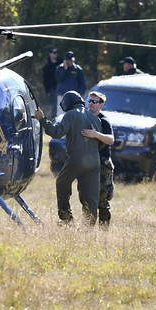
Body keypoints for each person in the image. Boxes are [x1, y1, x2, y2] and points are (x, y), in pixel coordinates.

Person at [37, 91, 102, 225]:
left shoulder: (71, 114)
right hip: (95, 160)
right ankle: (88, 227)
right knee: (91, 196)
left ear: (67, 104)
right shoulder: (95, 118)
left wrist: (42, 119)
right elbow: (100, 141)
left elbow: (56, 132)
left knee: (61, 183)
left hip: (77, 158)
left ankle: (66, 218)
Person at [85, 90, 116, 226]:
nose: (90, 104)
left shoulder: (103, 121)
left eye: (94, 102)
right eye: (89, 101)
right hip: (88, 164)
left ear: (101, 105)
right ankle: (88, 229)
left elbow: (111, 140)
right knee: (86, 198)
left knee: (102, 199)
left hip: (103, 165)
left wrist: (95, 134)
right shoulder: (84, 118)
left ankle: (104, 232)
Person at [41, 46, 61, 117]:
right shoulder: (47, 67)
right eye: (54, 52)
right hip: (53, 90)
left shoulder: (61, 63)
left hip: (62, 89)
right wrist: (48, 92)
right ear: (50, 54)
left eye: (57, 52)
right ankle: (54, 123)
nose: (56, 54)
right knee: (54, 108)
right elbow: (45, 81)